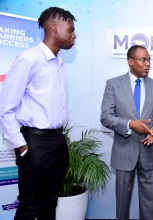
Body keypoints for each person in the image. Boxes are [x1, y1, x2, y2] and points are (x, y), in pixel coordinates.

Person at [0, 7, 76, 220]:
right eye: (70, 30)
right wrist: (23, 147)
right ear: (54, 27)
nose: (74, 35)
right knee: (29, 207)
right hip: (35, 142)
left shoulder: (59, 63)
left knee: (49, 204)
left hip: (58, 141)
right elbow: (5, 108)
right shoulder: (28, 59)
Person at [100, 45, 153, 220]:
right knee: (122, 203)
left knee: (149, 203)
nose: (148, 64)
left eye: (149, 59)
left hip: (149, 151)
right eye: (143, 60)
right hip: (124, 152)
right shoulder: (113, 84)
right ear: (130, 61)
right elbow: (106, 117)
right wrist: (130, 124)